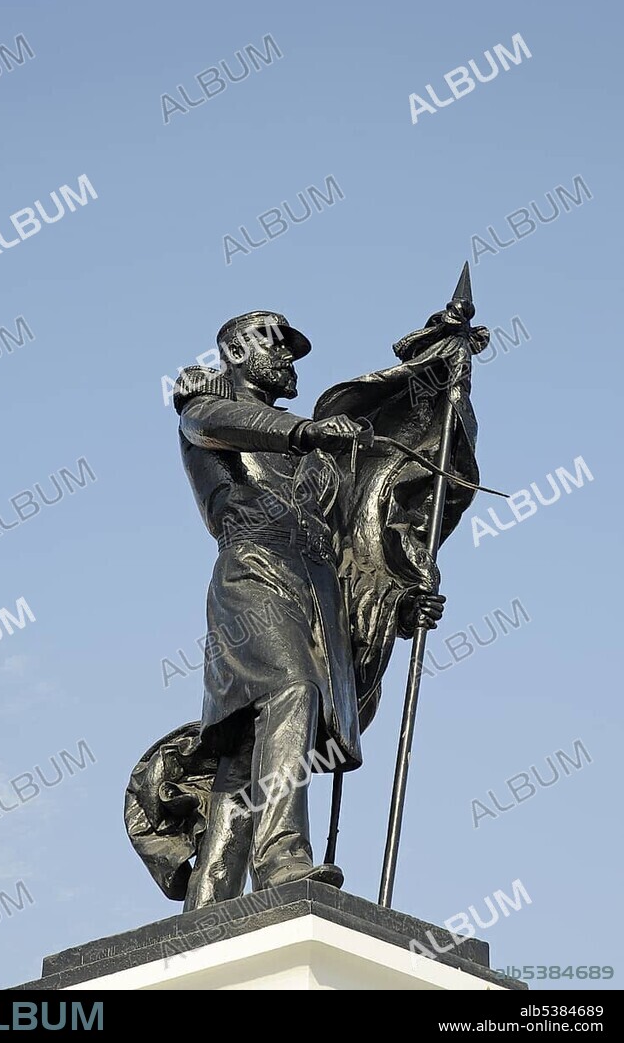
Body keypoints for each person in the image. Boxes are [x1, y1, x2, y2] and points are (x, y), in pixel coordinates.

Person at [172, 310, 445, 909]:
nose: (291, 361)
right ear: (239, 353)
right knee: (291, 690)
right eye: (278, 347)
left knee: (248, 745)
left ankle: (210, 896)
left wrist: (398, 600)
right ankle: (282, 861)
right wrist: (312, 432)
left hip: (316, 586)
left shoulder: (310, 456)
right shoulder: (206, 413)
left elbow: (355, 544)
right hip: (256, 571)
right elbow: (231, 423)